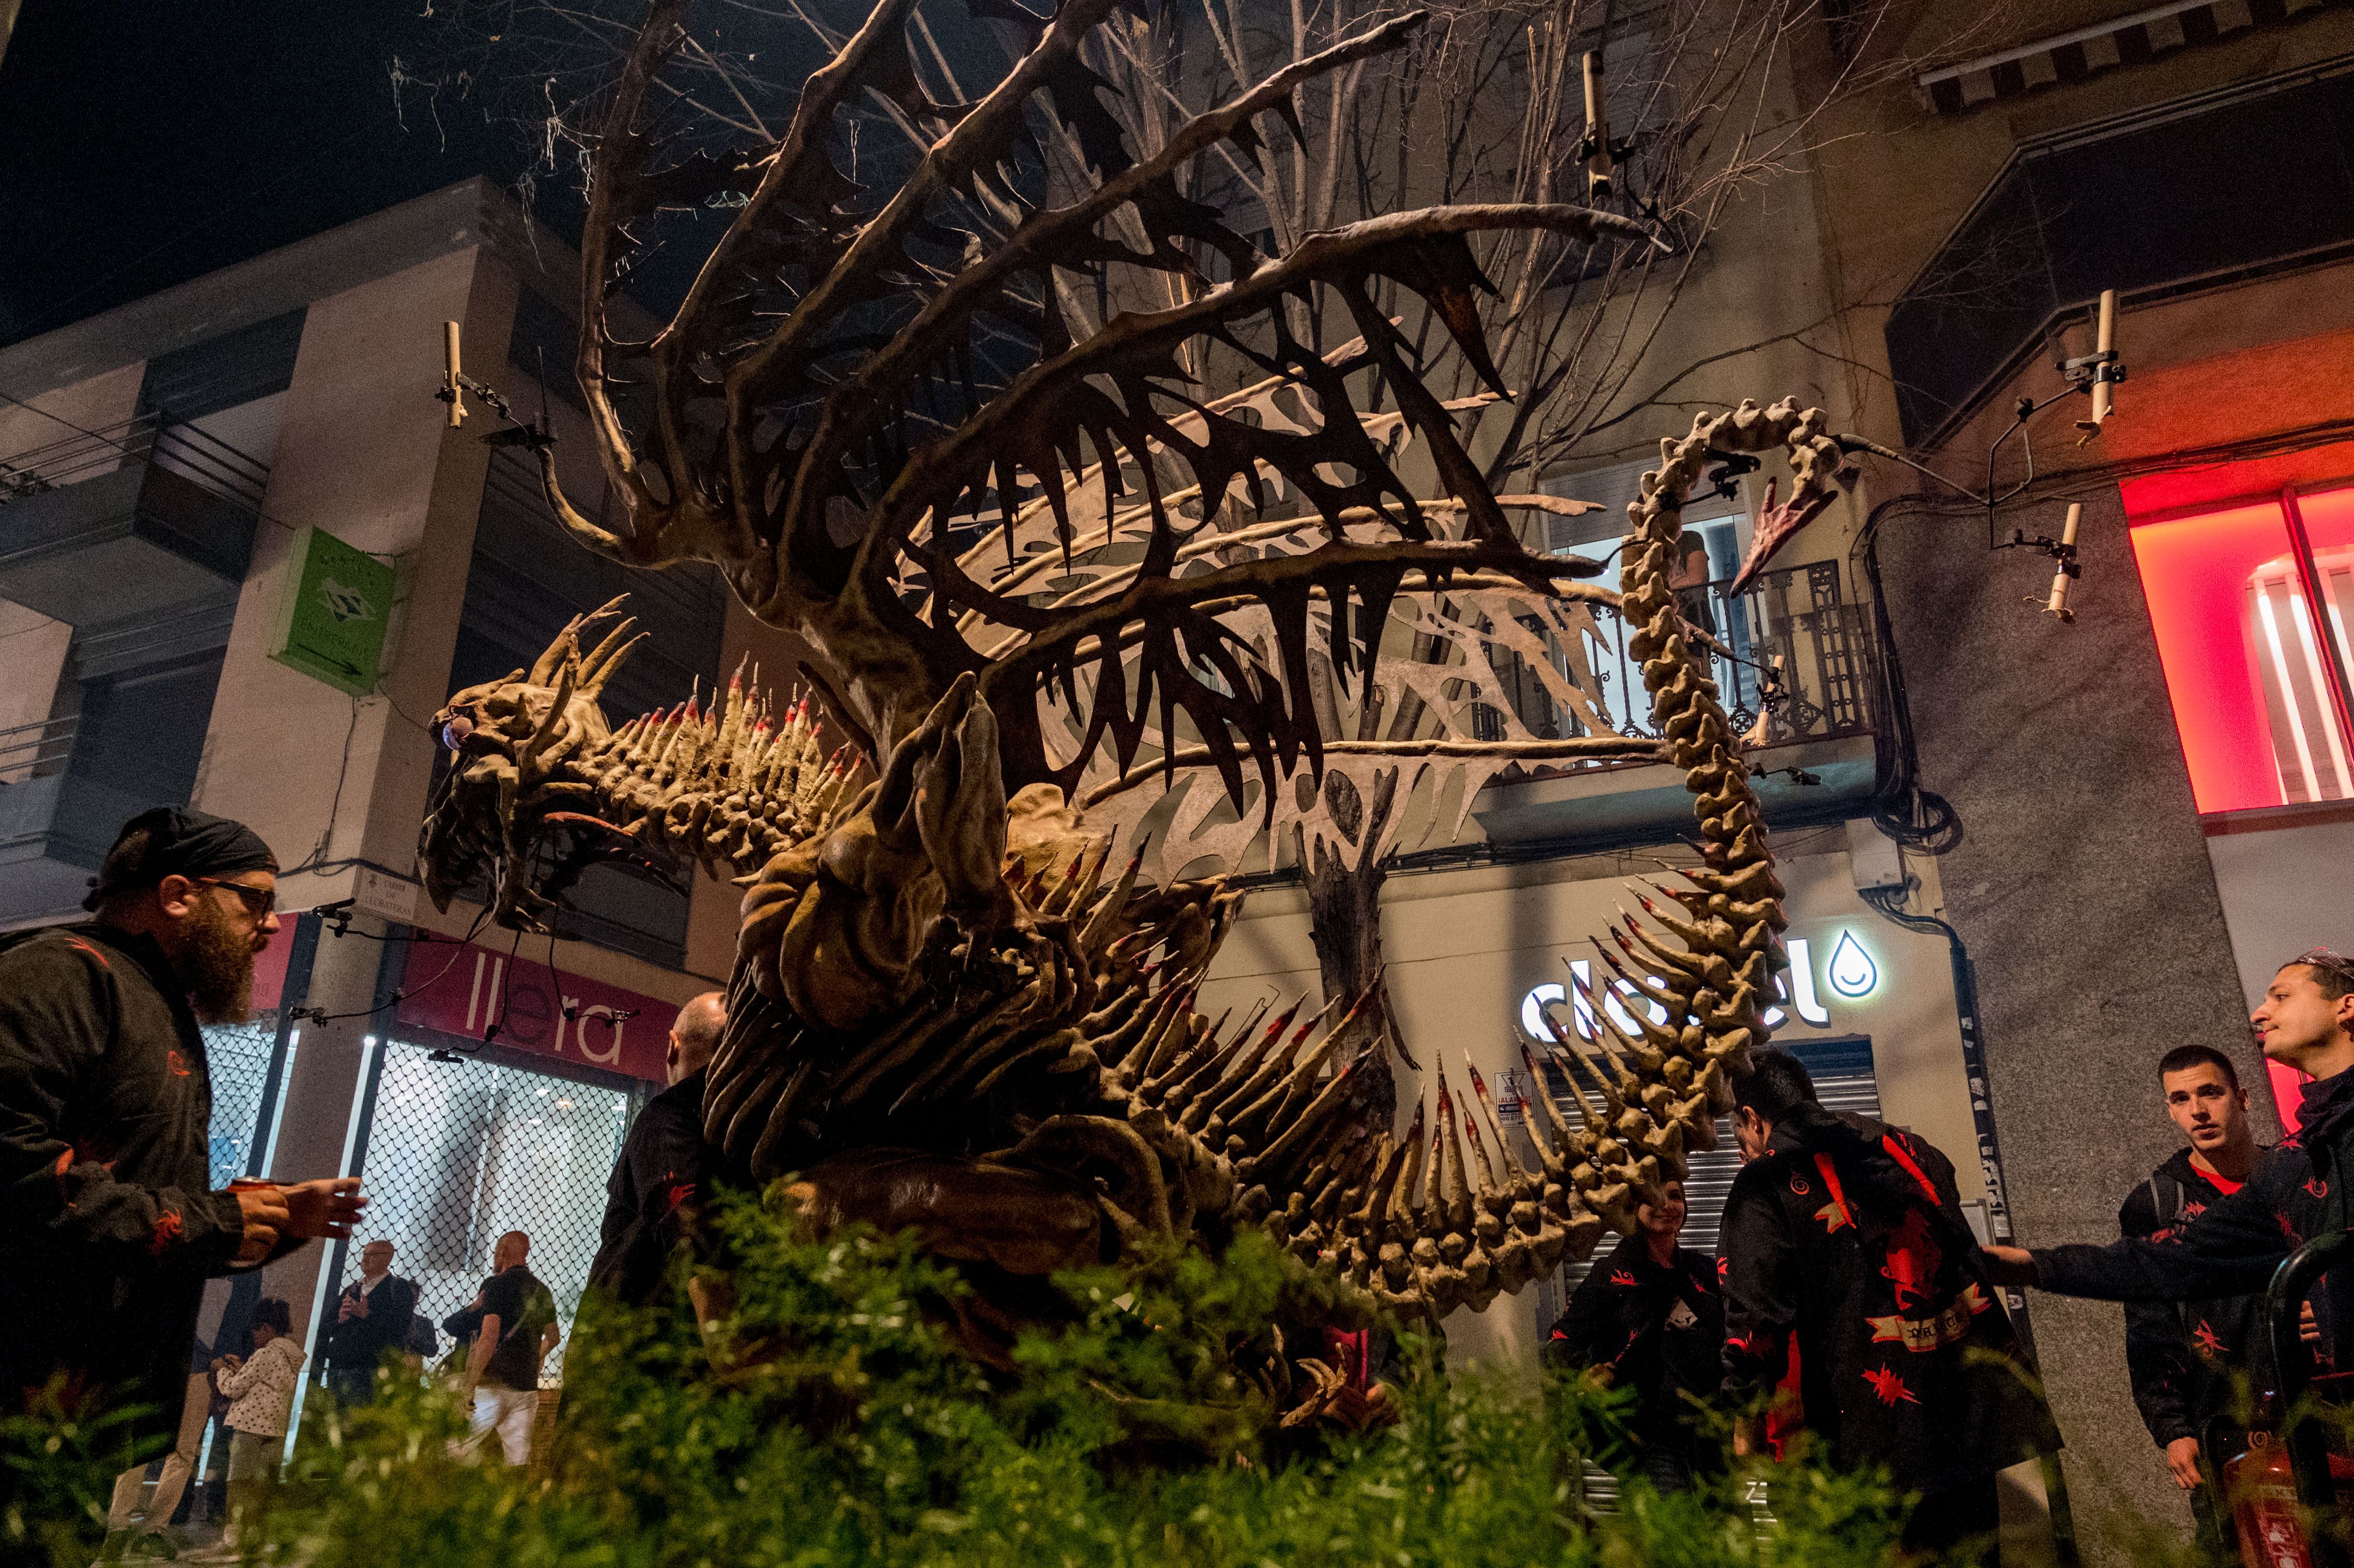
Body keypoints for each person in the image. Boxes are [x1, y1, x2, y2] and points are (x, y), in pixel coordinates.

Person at [0, 809, 364, 1459]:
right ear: (177, 895)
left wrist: (270, 1219)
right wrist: (218, 1220)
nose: (274, 921)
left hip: (81, 1419)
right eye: (256, 898)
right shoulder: (61, 977)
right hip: (21, 1404)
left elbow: (146, 1217)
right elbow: (16, 1175)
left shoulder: (157, 1006)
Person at [1718, 1049, 2059, 1560]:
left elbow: (1755, 1321)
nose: (1740, 1148)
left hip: (1868, 1442)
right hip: (1965, 1416)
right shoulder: (1906, 1147)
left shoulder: (1767, 1180)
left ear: (1749, 1116)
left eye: (1736, 1134)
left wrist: (1742, 1435)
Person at [1987, 950, 2354, 1396]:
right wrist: (2033, 1265)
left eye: (2281, 996)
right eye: (2180, 1099)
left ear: (2345, 1007)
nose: (2261, 1014)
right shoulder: (2295, 1162)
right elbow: (2179, 1261)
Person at [2120, 1044, 2270, 1563]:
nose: (2198, 1111)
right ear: (2169, 1109)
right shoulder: (2159, 1203)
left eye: (2210, 1092)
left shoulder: (2290, 1179)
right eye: (2181, 1099)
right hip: (2223, 1418)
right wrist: (2173, 1428)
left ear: (2241, 1096)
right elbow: (2148, 1325)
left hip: (2318, 1402)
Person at [1541, 1177, 1723, 1493]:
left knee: (1727, 1534)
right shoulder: (1610, 1273)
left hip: (1710, 1435)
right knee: (1676, 1531)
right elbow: (1561, 1339)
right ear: (1632, 1206)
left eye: (1675, 1196)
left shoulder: (1704, 1270)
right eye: (1653, 1197)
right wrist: (1584, 1374)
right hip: (1650, 1439)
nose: (1666, 1206)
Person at [588, 991, 724, 1308]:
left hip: (630, 1340)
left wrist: (730, 1351)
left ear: (673, 1046)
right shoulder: (747, 1121)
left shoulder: (671, 1114)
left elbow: (689, 1235)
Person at [201, 1297, 305, 1559]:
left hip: (250, 1426)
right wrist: (243, 1369)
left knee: (238, 1485)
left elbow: (233, 1389)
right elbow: (265, 1381)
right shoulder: (293, 1356)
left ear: (267, 1329)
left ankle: (232, 1541)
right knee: (260, 1489)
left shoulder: (266, 1352)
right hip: (276, 1428)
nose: (254, 1335)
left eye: (256, 1330)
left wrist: (222, 1369)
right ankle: (253, 1542)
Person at [456, 1231, 559, 1466]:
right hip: (525, 1387)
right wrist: (537, 1356)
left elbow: (489, 1336)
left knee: (462, 1449)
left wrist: (471, 1382)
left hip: (493, 1384)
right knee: (518, 1458)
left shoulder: (496, 1285)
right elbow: (553, 1337)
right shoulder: (541, 1290)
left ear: (501, 1253)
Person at [321, 1238, 420, 1406]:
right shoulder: (353, 1288)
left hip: (368, 1370)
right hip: (339, 1365)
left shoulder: (397, 1289)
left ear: (388, 1258)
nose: (365, 1259)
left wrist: (366, 1314)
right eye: (364, 1254)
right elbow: (326, 1325)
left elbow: (398, 1329)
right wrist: (340, 1319)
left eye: (373, 1255)